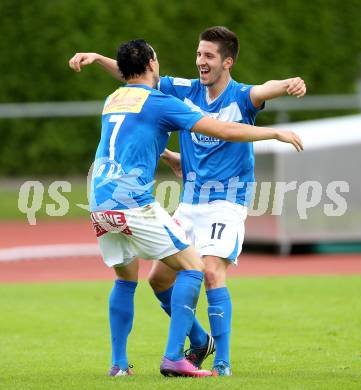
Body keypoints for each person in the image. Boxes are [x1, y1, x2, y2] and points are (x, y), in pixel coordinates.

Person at [69, 28, 305, 377]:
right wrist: (275, 133)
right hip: (186, 201)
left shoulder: (240, 96)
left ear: (228, 61)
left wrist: (288, 83)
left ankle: (221, 361)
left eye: (208, 55)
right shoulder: (181, 92)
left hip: (224, 201)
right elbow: (141, 83)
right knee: (162, 279)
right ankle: (193, 345)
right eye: (198, 54)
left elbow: (261, 89)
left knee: (208, 271)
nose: (200, 61)